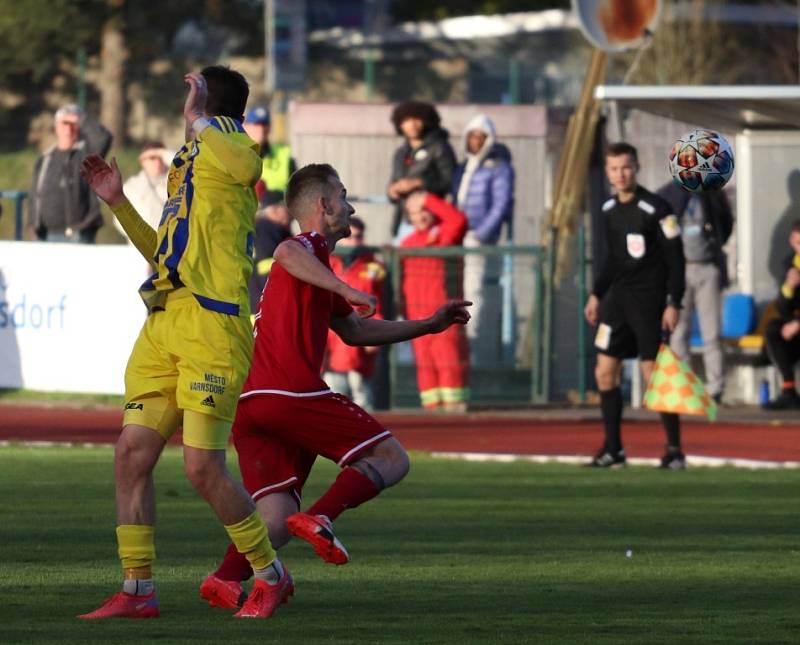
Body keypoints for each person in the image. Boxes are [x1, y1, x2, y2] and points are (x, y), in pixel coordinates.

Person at [77, 67, 377, 621]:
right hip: (165, 319)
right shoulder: (188, 161)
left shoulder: (232, 143)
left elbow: (249, 165)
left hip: (214, 327)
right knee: (131, 455)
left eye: (190, 94)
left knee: (201, 468)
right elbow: (166, 250)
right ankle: (137, 590)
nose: (183, 103)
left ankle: (270, 574)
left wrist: (199, 119)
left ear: (203, 100)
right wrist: (118, 203)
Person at [198, 164, 470, 608]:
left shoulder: (315, 269)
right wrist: (349, 287)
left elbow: (358, 332)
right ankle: (323, 515)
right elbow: (286, 250)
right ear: (323, 206)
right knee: (392, 458)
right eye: (343, 196)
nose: (350, 205)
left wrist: (429, 324)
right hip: (287, 392)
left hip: (251, 402)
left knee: (277, 515)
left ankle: (226, 579)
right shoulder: (307, 248)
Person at [584, 142, 687, 469]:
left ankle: (674, 451)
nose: (620, 174)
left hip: (649, 301)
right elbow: (613, 259)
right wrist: (596, 294)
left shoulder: (659, 208)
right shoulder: (608, 209)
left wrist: (674, 303)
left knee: (652, 374)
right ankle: (614, 450)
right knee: (604, 372)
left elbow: (676, 260)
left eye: (626, 167)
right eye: (614, 169)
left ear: (637, 166)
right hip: (618, 300)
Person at [659, 181, 734, 404]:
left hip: (707, 266)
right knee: (679, 330)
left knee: (712, 331)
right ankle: (683, 387)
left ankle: (715, 388)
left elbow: (726, 224)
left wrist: (715, 245)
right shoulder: (669, 194)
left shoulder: (712, 194)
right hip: (679, 269)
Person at [452, 114, 515, 363]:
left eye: (481, 136)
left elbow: (501, 205)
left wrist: (482, 233)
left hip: (477, 238)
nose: (476, 141)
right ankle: (460, 342)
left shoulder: (499, 167)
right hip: (456, 237)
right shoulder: (463, 167)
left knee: (474, 290)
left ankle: (473, 344)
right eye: (472, 136)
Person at [401, 190, 470, 411]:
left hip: (443, 313)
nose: (420, 217)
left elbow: (458, 220)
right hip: (416, 314)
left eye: (424, 211)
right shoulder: (407, 243)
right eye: (415, 213)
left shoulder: (443, 235)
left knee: (448, 357)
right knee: (424, 362)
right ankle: (432, 409)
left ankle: (455, 406)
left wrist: (429, 198)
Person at [324, 216, 387, 409]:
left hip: (357, 333)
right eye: (350, 236)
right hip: (329, 336)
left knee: (359, 387)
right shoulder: (326, 263)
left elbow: (378, 301)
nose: (355, 241)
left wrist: (375, 333)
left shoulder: (373, 267)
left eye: (359, 237)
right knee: (331, 389)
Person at [28, 104, 112, 243]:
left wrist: (82, 118)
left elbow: (103, 139)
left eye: (73, 124)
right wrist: (32, 225)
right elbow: (34, 195)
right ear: (56, 127)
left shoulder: (87, 155)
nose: (69, 128)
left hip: (77, 235)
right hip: (44, 235)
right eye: (64, 123)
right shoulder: (45, 159)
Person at [387, 101, 456, 238]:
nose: (412, 125)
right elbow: (393, 185)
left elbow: (450, 182)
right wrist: (392, 191)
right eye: (406, 120)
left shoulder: (440, 147)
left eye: (417, 119)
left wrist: (419, 183)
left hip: (432, 223)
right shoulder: (400, 153)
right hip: (404, 223)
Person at [763, 219, 800, 410]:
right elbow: (783, 309)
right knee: (774, 329)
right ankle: (788, 390)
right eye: (797, 244)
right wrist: (788, 288)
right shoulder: (790, 264)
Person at [114, 141, 171, 238]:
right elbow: (120, 220)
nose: (157, 162)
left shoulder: (179, 183)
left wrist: (165, 153)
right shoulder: (131, 187)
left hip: (174, 246)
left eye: (161, 157)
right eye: (152, 158)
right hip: (142, 247)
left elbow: (189, 167)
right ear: (142, 161)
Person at [243, 105, 297, 207]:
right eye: (256, 124)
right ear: (245, 126)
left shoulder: (284, 155)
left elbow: (297, 195)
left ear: (270, 127)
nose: (261, 129)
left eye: (265, 124)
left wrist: (277, 199)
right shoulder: (234, 154)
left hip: (274, 217)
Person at [248, 201, 293, 314]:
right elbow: (268, 264)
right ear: (275, 210)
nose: (290, 217)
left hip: (253, 302)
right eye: (287, 212)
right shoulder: (267, 228)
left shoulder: (257, 228)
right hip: (266, 301)